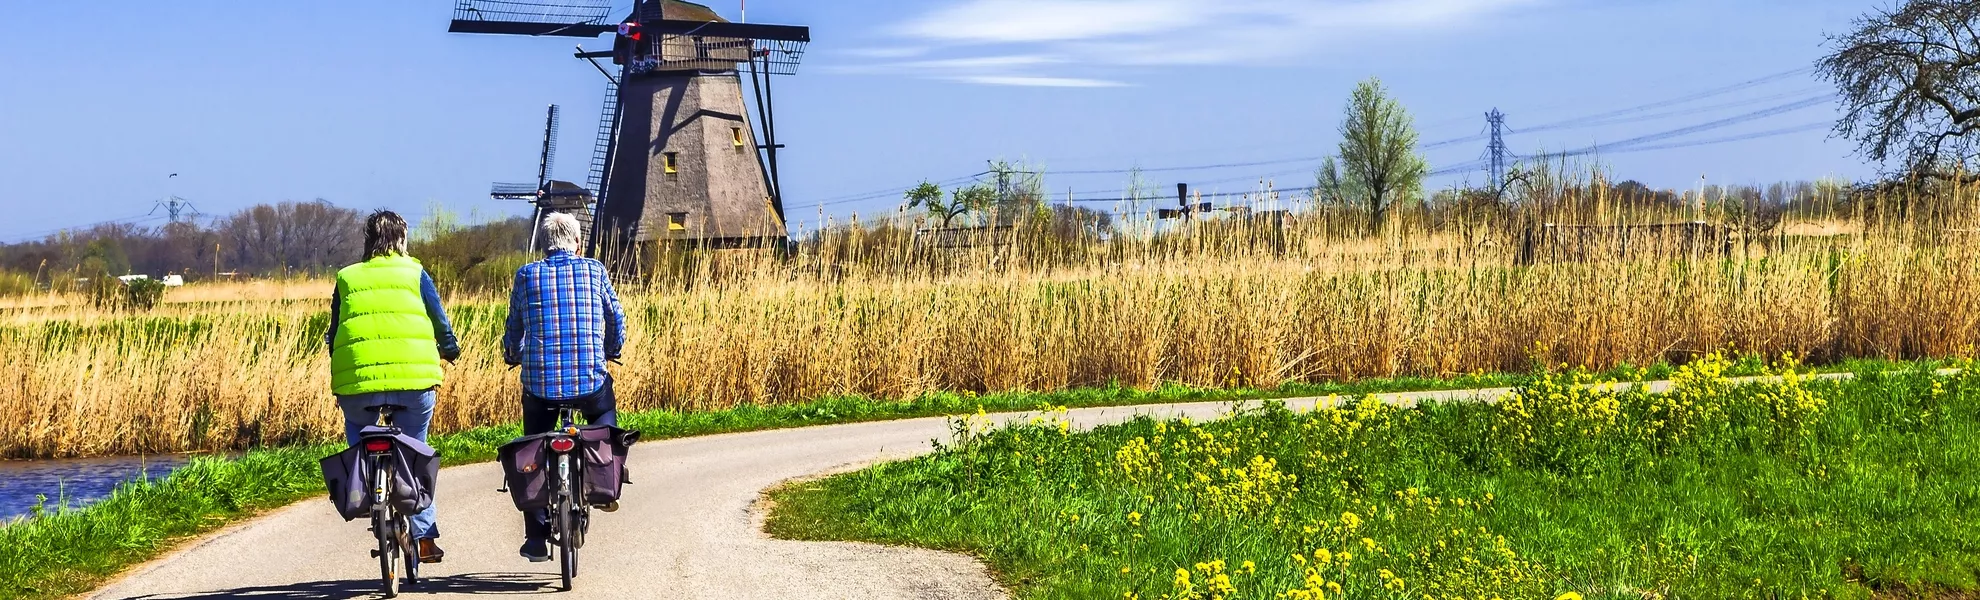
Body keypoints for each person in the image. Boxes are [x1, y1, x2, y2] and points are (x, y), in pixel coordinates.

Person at [325, 210, 461, 564]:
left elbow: (335, 331)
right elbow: (439, 320)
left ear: (368, 242)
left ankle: (366, 490)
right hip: (414, 382)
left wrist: (341, 369)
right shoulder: (416, 272)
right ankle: (425, 534)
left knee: (359, 436)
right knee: (415, 447)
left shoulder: (346, 277)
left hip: (357, 384)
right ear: (402, 240)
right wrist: (450, 350)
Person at [503, 211, 627, 562]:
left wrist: (512, 353)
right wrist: (612, 350)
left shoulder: (526, 275)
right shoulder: (595, 270)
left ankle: (535, 536)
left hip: (540, 385)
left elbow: (514, 326)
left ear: (543, 245)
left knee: (533, 444)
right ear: (577, 243)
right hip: (589, 380)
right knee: (603, 415)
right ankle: (604, 480)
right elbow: (615, 317)